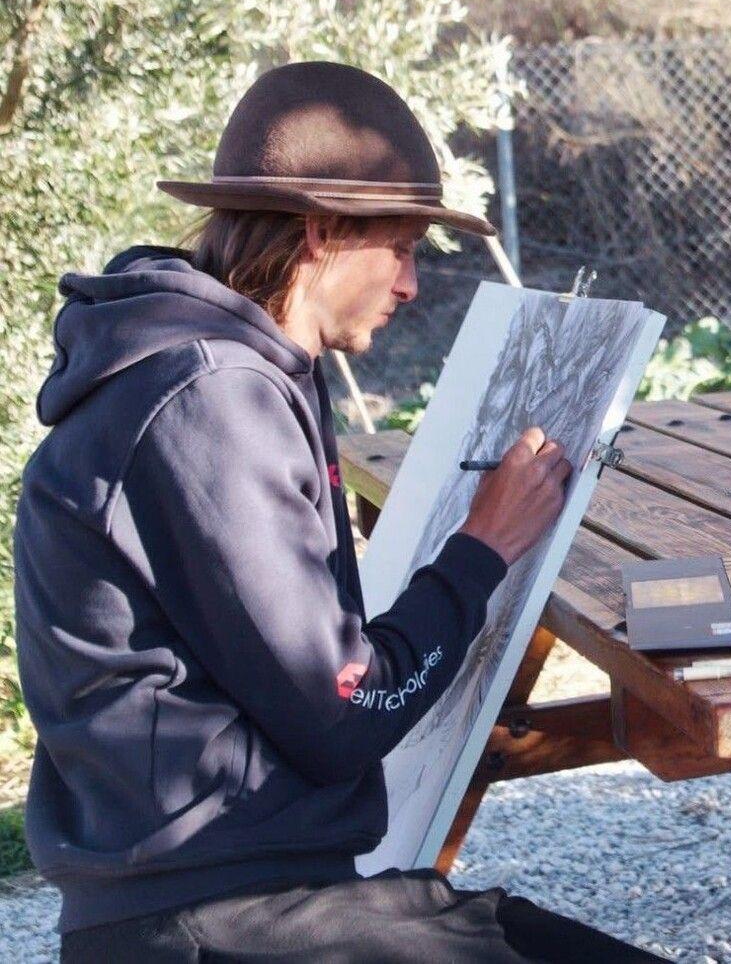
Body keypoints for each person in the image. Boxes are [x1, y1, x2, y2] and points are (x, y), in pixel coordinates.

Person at [13, 62, 662, 962]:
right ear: (320, 232)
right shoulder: (212, 399)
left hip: (237, 888)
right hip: (214, 918)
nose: (409, 285)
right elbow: (346, 709)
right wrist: (482, 546)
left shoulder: (233, 367)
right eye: (398, 248)